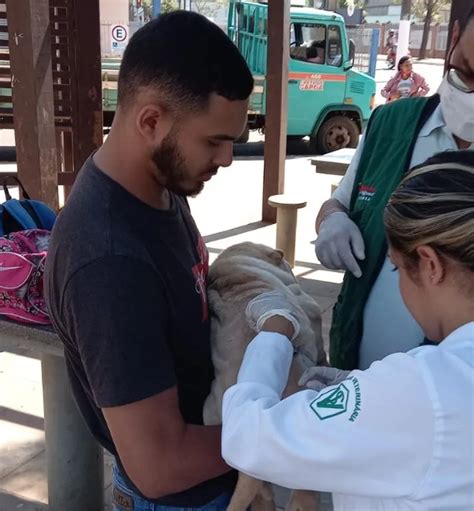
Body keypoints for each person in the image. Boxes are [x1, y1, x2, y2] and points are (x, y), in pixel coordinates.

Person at [45, 11, 253, 511]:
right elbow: (159, 466)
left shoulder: (160, 184)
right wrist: (282, 428)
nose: (226, 159)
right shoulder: (109, 260)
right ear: (151, 120)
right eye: (214, 141)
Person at [221, 151, 474, 510]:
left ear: (430, 264)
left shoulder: (424, 388)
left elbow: (249, 439)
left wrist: (274, 332)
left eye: (396, 269)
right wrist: (367, 394)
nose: (400, 283)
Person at [313, 9, 474, 371]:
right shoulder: (391, 124)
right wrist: (332, 222)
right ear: (454, 38)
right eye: (465, 71)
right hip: (357, 372)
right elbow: (339, 202)